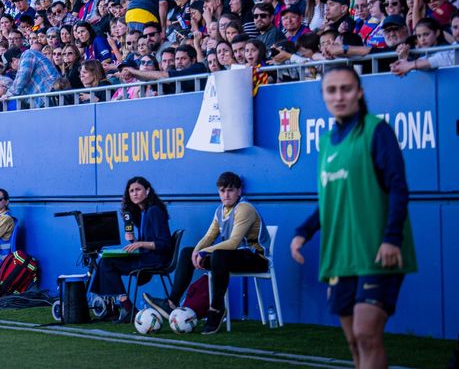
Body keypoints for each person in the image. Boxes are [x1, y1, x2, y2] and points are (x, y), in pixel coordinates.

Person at [290, 65, 416, 369]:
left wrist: (392, 239)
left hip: (377, 252)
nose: (339, 96)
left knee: (366, 334)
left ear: (359, 92)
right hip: (341, 256)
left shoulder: (377, 131)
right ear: (323, 96)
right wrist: (304, 232)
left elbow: (398, 188)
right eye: (331, 90)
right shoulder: (325, 142)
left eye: (346, 89)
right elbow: (331, 201)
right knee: (354, 343)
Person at [144, 171, 269, 334]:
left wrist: (203, 253)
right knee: (187, 252)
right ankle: (171, 303)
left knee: (218, 255)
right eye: (222, 191)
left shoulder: (245, 208)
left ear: (239, 191)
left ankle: (216, 309)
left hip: (256, 258)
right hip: (231, 258)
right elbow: (209, 236)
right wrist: (196, 251)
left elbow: (233, 242)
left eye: (230, 190)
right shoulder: (220, 210)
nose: (226, 195)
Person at [90, 176, 173, 322]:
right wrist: (134, 240)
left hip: (156, 259)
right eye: (131, 191)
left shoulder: (154, 211)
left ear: (147, 191)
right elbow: (147, 241)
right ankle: (116, 307)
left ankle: (126, 307)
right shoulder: (144, 212)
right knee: (106, 260)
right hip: (146, 256)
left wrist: (140, 244)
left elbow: (164, 244)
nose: (134, 194)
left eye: (138, 190)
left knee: (107, 263)